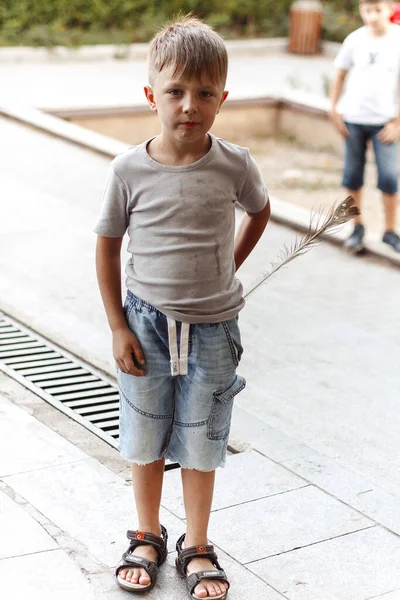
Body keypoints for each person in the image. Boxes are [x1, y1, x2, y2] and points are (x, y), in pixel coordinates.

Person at [94, 15, 270, 600]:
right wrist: (118, 324)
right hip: (144, 322)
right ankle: (146, 533)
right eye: (174, 92)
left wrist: (229, 268)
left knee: (202, 437)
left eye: (203, 93)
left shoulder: (234, 164)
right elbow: (108, 245)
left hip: (215, 329)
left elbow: (260, 211)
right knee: (143, 435)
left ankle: (196, 543)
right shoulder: (129, 170)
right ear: (151, 96)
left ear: (223, 98)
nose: (188, 105)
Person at [329, 0, 400, 253]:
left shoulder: (397, 40)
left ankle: (390, 231)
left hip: (384, 122)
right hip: (354, 120)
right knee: (352, 175)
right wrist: (334, 109)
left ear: (390, 9)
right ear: (361, 10)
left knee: (390, 178)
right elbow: (340, 74)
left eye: (377, 10)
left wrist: (397, 121)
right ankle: (357, 227)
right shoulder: (354, 40)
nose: (372, 16)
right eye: (367, 11)